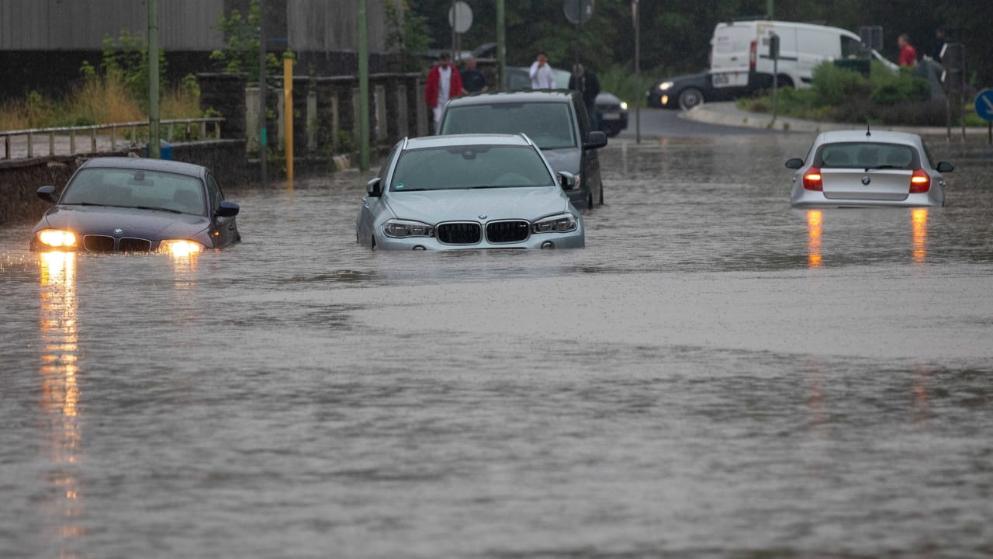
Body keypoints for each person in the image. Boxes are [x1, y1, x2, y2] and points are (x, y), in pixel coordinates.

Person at [424, 53, 464, 133]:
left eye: (446, 60)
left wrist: (458, 98)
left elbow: (458, 86)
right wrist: (429, 100)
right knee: (438, 119)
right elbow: (429, 87)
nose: (445, 63)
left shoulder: (454, 72)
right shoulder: (434, 72)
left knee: (450, 120)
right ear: (440, 61)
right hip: (438, 101)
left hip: (451, 100)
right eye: (443, 60)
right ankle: (438, 135)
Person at [568, 63, 601, 128]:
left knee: (591, 117)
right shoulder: (573, 77)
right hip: (577, 101)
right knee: (578, 117)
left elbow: (597, 88)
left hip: (589, 100)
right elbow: (570, 88)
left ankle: (593, 130)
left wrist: (592, 96)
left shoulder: (591, 76)